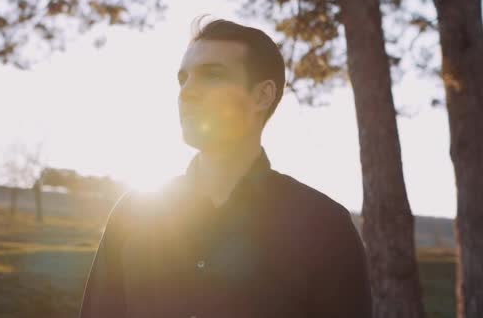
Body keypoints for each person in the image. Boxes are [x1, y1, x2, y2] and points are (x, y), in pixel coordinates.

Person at [78, 17, 372, 318]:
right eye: (184, 78)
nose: (187, 92)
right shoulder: (133, 213)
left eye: (212, 75)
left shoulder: (325, 227)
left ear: (262, 95)